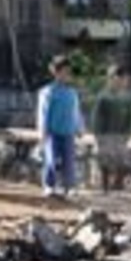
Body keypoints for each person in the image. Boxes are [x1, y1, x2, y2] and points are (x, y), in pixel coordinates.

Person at [37, 55, 85, 198]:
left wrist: (80, 128)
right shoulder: (47, 92)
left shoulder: (72, 93)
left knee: (69, 162)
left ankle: (69, 187)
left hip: (68, 132)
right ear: (55, 72)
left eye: (68, 72)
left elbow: (76, 112)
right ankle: (49, 186)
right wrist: (42, 132)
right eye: (63, 71)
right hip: (52, 133)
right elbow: (43, 113)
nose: (66, 75)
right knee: (51, 160)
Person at [91, 64, 131, 193]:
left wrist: (128, 133)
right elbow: (97, 118)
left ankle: (118, 185)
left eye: (123, 78)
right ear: (111, 79)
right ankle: (105, 187)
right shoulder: (103, 96)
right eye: (118, 78)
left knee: (122, 161)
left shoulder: (127, 97)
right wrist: (99, 136)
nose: (121, 81)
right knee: (105, 161)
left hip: (121, 135)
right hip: (106, 135)